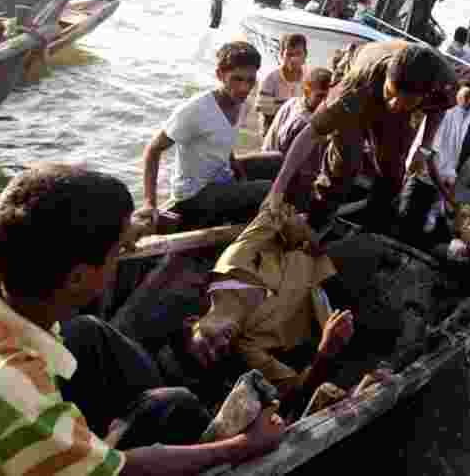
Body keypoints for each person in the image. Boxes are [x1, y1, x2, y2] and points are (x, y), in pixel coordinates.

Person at [0, 164, 285, 476]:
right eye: (118, 252)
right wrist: (243, 444)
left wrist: (128, 231)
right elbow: (123, 472)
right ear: (80, 275)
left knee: (85, 334)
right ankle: (182, 412)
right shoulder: (8, 390)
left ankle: (164, 401)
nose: (123, 256)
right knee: (172, 408)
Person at [167, 196, 390, 419]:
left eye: (207, 342)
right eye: (220, 352)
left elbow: (275, 213)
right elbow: (293, 386)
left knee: (372, 245)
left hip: (324, 264)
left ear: (192, 321)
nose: (222, 343)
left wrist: (306, 235)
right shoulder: (249, 347)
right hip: (337, 314)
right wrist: (325, 349)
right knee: (389, 331)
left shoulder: (233, 263)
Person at [270, 40, 456, 233]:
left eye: (405, 101)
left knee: (392, 172)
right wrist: (278, 188)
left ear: (425, 95)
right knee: (346, 162)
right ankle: (315, 222)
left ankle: (370, 231)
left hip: (402, 107)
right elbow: (310, 133)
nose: (393, 104)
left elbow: (438, 108)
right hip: (364, 86)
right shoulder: (359, 83)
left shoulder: (446, 84)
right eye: (390, 93)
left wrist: (424, 146)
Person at [142, 41, 270, 230]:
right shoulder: (196, 110)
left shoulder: (241, 103)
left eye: (250, 80)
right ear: (219, 75)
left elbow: (225, 144)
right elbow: (153, 150)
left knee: (275, 160)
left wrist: (241, 176)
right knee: (270, 189)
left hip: (221, 179)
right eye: (237, 79)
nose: (244, 88)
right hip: (195, 195)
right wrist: (149, 204)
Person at [397, 74, 470, 242]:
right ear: (462, 85)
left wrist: (449, 189)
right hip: (422, 180)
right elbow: (429, 157)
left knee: (427, 230)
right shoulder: (444, 110)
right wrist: (448, 196)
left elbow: (461, 153)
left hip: (445, 183)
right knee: (406, 227)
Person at [261, 67, 333, 212]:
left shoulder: (292, 102)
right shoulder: (306, 125)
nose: (324, 103)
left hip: (267, 163)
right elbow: (302, 172)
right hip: (283, 183)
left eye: (329, 99)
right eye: (320, 96)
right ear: (306, 91)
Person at [255, 33, 308, 138]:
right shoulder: (270, 78)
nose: (293, 59)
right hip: (273, 132)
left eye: (298, 54)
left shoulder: (309, 77)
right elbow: (266, 114)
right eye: (289, 54)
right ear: (281, 55)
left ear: (305, 55)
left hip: (298, 132)